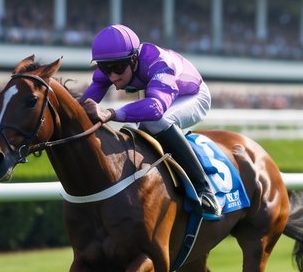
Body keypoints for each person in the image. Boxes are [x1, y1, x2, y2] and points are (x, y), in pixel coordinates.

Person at [80, 23, 223, 219]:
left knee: (154, 123)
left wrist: (111, 113)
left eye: (118, 68)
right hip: (161, 95)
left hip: (192, 95)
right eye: (105, 69)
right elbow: (82, 107)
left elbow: (156, 108)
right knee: (131, 128)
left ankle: (204, 191)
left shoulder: (158, 63)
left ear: (133, 59)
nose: (112, 76)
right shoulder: (114, 66)